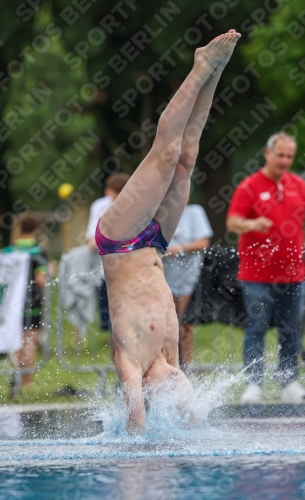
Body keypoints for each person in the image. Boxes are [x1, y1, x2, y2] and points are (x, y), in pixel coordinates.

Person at [96, 30, 241, 432]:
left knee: (165, 155)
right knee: (187, 157)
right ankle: (214, 74)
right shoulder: (170, 359)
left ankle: (199, 67)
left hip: (120, 241)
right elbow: (190, 417)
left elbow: (134, 424)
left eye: (173, 387)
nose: (180, 383)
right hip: (156, 243)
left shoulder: (132, 363)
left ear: (149, 390)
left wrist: (139, 438)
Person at [226, 132, 305, 403]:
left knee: (291, 328)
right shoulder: (249, 186)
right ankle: (254, 383)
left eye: (289, 156)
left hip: (294, 273)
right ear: (268, 153)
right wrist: (251, 225)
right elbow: (233, 222)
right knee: (257, 327)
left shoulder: (298, 184)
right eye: (280, 155)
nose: (284, 161)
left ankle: (289, 382)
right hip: (257, 274)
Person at [163, 202, 213, 366]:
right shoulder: (159, 212)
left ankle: (185, 368)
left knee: (183, 325)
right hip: (162, 278)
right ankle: (165, 368)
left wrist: (178, 249)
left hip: (188, 279)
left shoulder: (194, 212)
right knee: (163, 328)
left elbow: (203, 242)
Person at [4, 214, 47, 391]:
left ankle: (17, 373)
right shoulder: (39, 252)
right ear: (37, 229)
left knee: (17, 341)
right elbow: (41, 279)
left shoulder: (9, 251)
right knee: (30, 342)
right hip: (33, 302)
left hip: (12, 303)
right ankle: (26, 381)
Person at [86, 173, 130, 331]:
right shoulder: (99, 206)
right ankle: (116, 357)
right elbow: (92, 241)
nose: (117, 197)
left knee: (132, 322)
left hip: (133, 273)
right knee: (113, 324)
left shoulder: (137, 205)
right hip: (108, 272)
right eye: (115, 193)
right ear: (107, 191)